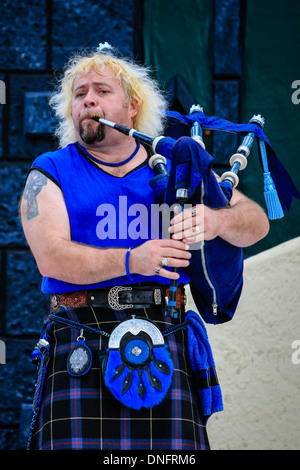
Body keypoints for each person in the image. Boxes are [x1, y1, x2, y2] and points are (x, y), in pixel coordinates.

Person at [20, 44, 269, 451]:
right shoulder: (51, 169)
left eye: (101, 91)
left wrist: (215, 220)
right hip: (81, 339)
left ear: (132, 105)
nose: (88, 101)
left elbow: (256, 224)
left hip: (165, 336)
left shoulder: (176, 166)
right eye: (79, 94)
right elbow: (51, 256)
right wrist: (134, 259)